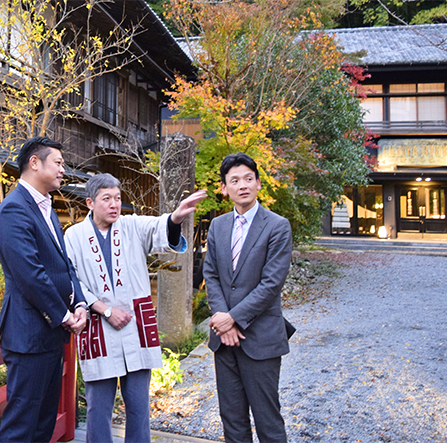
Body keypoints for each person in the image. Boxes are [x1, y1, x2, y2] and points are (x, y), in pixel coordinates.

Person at [64, 173, 207, 443]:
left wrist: (176, 216)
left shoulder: (131, 225)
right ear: (90, 203)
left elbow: (158, 227)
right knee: (98, 407)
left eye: (118, 198)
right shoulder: (74, 236)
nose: (114, 204)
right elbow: (71, 279)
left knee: (139, 407)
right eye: (106, 198)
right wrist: (103, 309)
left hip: (136, 326)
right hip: (98, 328)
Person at [0, 136, 88, 443]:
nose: (64, 170)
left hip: (50, 332)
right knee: (22, 425)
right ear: (35, 163)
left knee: (44, 421)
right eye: (58, 163)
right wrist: (63, 315)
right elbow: (30, 275)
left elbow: (64, 266)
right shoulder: (14, 210)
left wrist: (81, 304)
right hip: (28, 334)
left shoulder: (46, 208)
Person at [203, 153, 293, 443]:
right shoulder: (218, 226)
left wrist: (233, 318)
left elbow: (271, 284)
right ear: (225, 188)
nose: (242, 185)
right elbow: (212, 275)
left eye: (248, 179)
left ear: (257, 183)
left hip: (260, 338)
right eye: (235, 180)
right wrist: (222, 321)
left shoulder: (277, 226)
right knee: (232, 420)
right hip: (224, 341)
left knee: (268, 420)